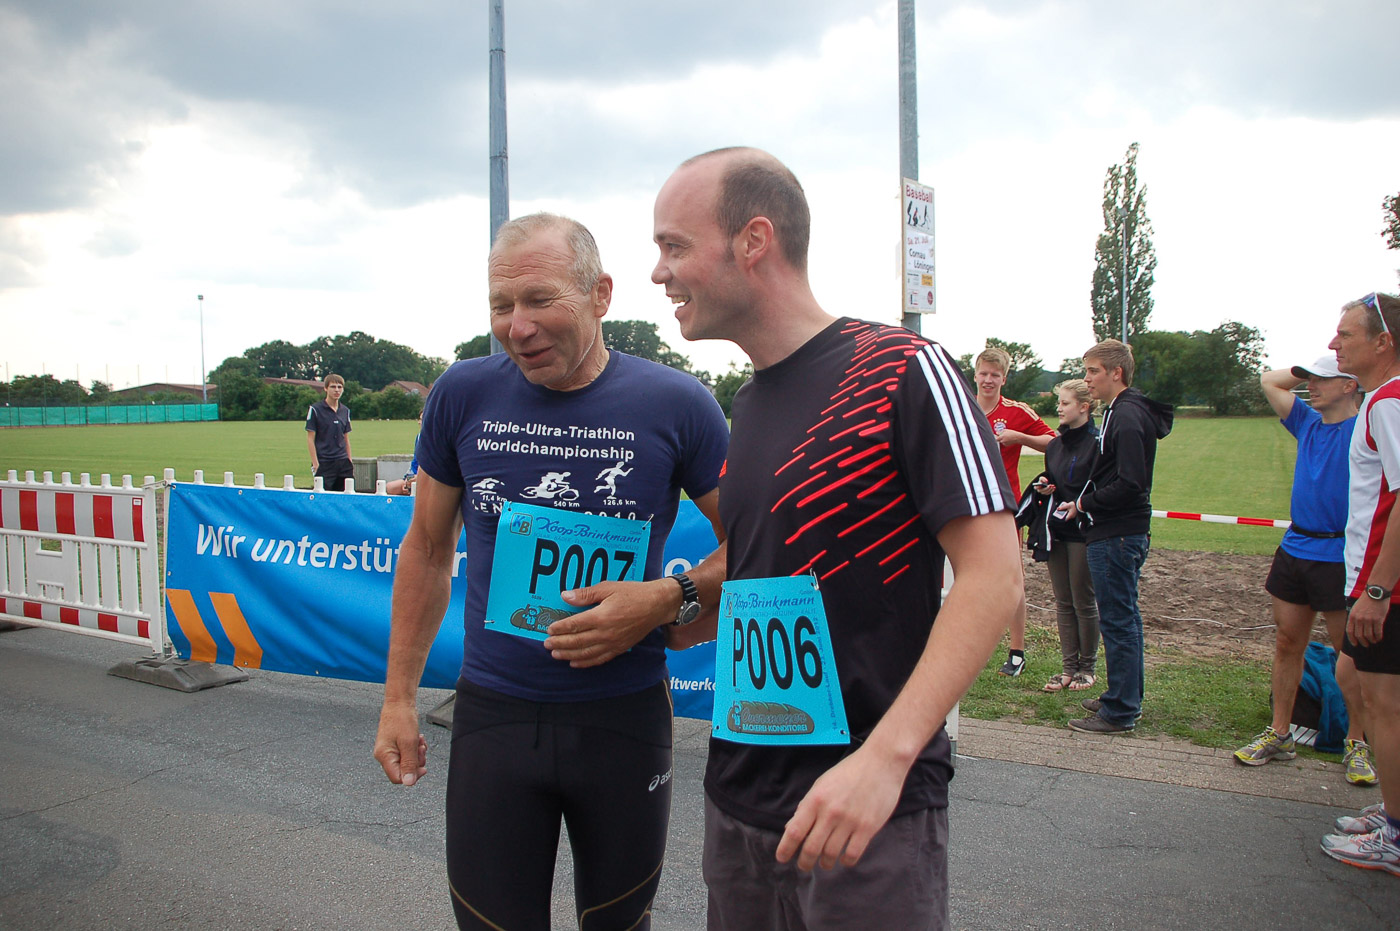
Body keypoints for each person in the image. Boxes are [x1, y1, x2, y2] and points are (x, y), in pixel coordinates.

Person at [652, 146, 1021, 929]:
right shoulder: (748, 403)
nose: (660, 272)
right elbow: (769, 579)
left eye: (674, 245)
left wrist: (884, 760)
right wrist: (670, 609)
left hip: (864, 811)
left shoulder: (907, 370)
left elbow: (995, 578)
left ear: (753, 241)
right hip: (740, 803)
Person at [372, 212, 730, 929]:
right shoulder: (462, 394)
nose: (518, 327)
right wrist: (398, 698)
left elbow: (757, 542)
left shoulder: (677, 403)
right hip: (495, 718)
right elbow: (429, 549)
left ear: (601, 294)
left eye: (539, 300)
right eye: (501, 305)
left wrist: (667, 597)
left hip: (623, 719)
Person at [1233, 358, 1373, 785]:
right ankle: (1281, 734)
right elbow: (1269, 381)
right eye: (1309, 380)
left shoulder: (1367, 427)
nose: (1311, 387)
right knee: (1287, 642)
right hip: (1296, 547)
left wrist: (1347, 365)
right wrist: (1314, 367)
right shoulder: (1308, 422)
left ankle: (1358, 742)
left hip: (1341, 553)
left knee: (1350, 653)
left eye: (1321, 380)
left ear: (1349, 385)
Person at [1321, 290, 1400, 875]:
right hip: (1372, 579)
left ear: (1383, 341)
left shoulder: (1390, 402)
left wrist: (1378, 590)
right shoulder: (1382, 399)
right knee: (1351, 676)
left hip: (1383, 584)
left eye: (1346, 334)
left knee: (1385, 704)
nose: (1333, 344)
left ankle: (1395, 833)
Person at [1057, 339, 1173, 734]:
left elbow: (1130, 483)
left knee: (1119, 622)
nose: (1087, 379)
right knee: (1124, 620)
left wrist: (1084, 503)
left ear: (1116, 373)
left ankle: (1121, 710)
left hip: (1117, 534)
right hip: (1119, 530)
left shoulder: (1126, 415)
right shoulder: (1122, 411)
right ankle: (1123, 697)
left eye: (1093, 371)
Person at [975, 346, 1056, 677]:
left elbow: (1055, 441)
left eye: (995, 375)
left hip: (1004, 506)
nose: (988, 380)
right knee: (964, 576)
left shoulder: (1016, 411)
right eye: (984, 373)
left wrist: (1019, 437)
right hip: (965, 504)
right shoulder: (961, 405)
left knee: (1013, 576)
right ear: (975, 374)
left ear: (1004, 379)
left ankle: (1017, 652)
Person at [1026, 379, 1100, 693]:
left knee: (1084, 601)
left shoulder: (1098, 443)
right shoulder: (1055, 445)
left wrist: (1080, 506)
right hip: (1056, 531)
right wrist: (1046, 485)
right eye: (1059, 402)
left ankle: (1087, 669)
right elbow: (1056, 479)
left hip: (1085, 532)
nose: (1059, 408)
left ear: (1084, 407)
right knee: (1063, 601)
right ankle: (1068, 668)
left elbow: (1099, 486)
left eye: (1065, 403)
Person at [305, 373, 353, 491]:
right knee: (324, 496)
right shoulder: (315, 409)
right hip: (324, 461)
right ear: (326, 388)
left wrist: (349, 461)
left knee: (345, 496)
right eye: (333, 387)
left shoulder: (345, 411)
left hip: (343, 462)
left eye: (339, 387)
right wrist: (315, 464)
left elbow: (346, 438)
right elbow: (310, 439)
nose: (336, 390)